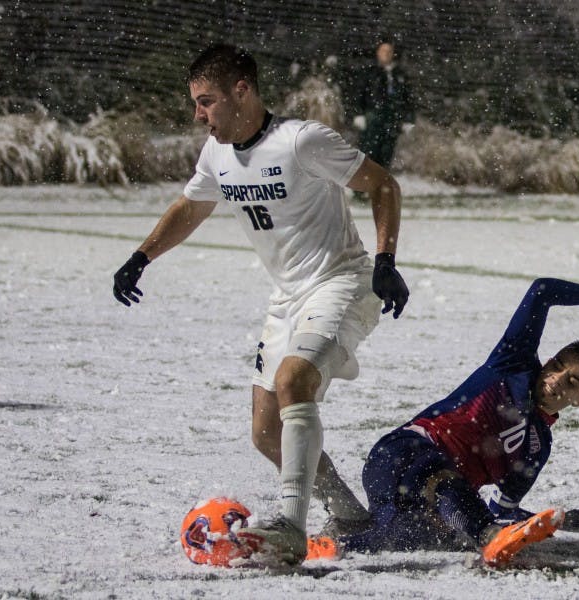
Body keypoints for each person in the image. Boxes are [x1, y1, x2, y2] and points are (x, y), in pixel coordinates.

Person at [111, 43, 410, 566]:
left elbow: (382, 183)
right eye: (196, 103)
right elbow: (191, 206)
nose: (199, 115)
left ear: (241, 92)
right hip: (286, 298)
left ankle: (290, 530)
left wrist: (385, 261)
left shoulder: (302, 141)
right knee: (265, 432)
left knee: (295, 381)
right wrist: (141, 256)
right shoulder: (216, 154)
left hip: (341, 282)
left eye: (207, 102)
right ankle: (354, 519)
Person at [303, 278, 579, 567]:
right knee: (442, 481)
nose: (556, 379)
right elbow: (542, 290)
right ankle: (488, 540)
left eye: (572, 382)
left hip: (428, 495)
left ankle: (323, 544)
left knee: (410, 536)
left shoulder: (537, 448)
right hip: (401, 453)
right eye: (557, 365)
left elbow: (501, 509)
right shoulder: (514, 363)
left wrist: (564, 519)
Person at [352, 39, 415, 170]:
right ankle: (361, 188)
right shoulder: (370, 73)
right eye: (383, 51)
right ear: (377, 53)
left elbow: (408, 99)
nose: (386, 54)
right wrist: (358, 114)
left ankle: (380, 187)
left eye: (389, 51)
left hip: (392, 118)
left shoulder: (399, 75)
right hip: (373, 116)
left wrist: (408, 119)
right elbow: (358, 94)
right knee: (368, 152)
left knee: (387, 153)